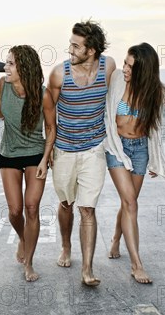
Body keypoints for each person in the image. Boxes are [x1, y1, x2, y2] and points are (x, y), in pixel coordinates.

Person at [46, 20, 116, 286]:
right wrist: (49, 148)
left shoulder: (108, 67)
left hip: (94, 148)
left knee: (88, 208)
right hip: (64, 147)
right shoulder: (58, 74)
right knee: (67, 203)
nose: (70, 50)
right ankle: (66, 246)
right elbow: (48, 110)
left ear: (92, 50)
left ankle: (87, 269)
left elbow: (121, 93)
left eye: (76, 46)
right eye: (70, 44)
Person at [0, 45, 56, 282]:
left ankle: (30, 262)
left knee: (32, 208)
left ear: (25, 67)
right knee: (15, 211)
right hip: (10, 153)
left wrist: (46, 159)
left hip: (36, 153)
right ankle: (23, 238)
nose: (6, 67)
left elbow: (50, 128)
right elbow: (0, 114)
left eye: (11, 63)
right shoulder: (4, 84)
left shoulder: (42, 94)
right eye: (6, 63)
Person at [104, 43, 165, 284]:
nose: (124, 69)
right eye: (124, 63)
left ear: (144, 70)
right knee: (131, 202)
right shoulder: (116, 81)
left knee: (128, 201)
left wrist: (154, 159)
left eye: (130, 66)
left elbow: (156, 128)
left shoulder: (157, 92)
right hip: (116, 146)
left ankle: (115, 237)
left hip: (140, 149)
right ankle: (136, 264)